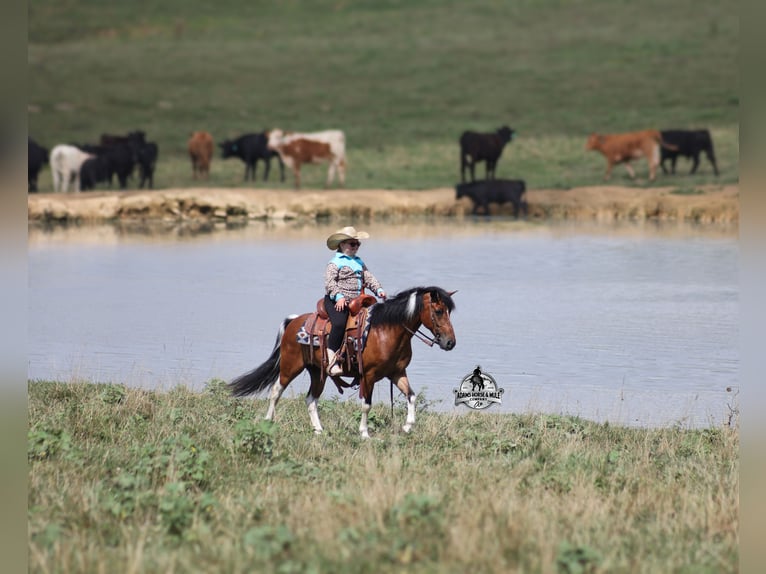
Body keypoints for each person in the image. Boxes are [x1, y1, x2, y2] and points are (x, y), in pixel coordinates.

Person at [324, 226, 386, 375]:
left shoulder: (358, 261)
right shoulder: (335, 263)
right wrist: (339, 297)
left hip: (357, 301)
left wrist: (378, 289)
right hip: (337, 301)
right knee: (339, 323)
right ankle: (332, 359)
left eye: (358, 244)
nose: (356, 247)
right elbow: (330, 282)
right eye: (352, 244)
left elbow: (368, 277)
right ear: (342, 244)